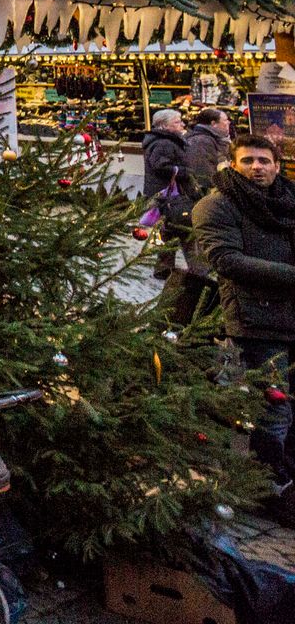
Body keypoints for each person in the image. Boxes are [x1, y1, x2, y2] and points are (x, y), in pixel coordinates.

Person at [192, 133, 295, 515]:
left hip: (290, 317)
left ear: (276, 165)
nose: (257, 167)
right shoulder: (217, 205)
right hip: (254, 322)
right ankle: (264, 488)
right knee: (272, 412)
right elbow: (227, 260)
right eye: (248, 160)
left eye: (264, 160)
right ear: (233, 164)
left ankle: (284, 481)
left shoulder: (287, 198)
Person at [161, 108, 230, 322]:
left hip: (190, 202)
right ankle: (200, 289)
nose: (229, 124)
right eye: (225, 120)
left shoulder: (209, 139)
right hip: (195, 202)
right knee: (192, 244)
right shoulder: (201, 142)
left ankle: (171, 269)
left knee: (182, 239)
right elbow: (201, 174)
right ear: (213, 123)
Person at [142, 108, 190, 201]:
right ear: (164, 125)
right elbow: (161, 166)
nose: (182, 125)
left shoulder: (167, 140)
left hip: (163, 192)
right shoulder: (163, 143)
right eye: (177, 122)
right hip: (166, 194)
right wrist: (185, 171)